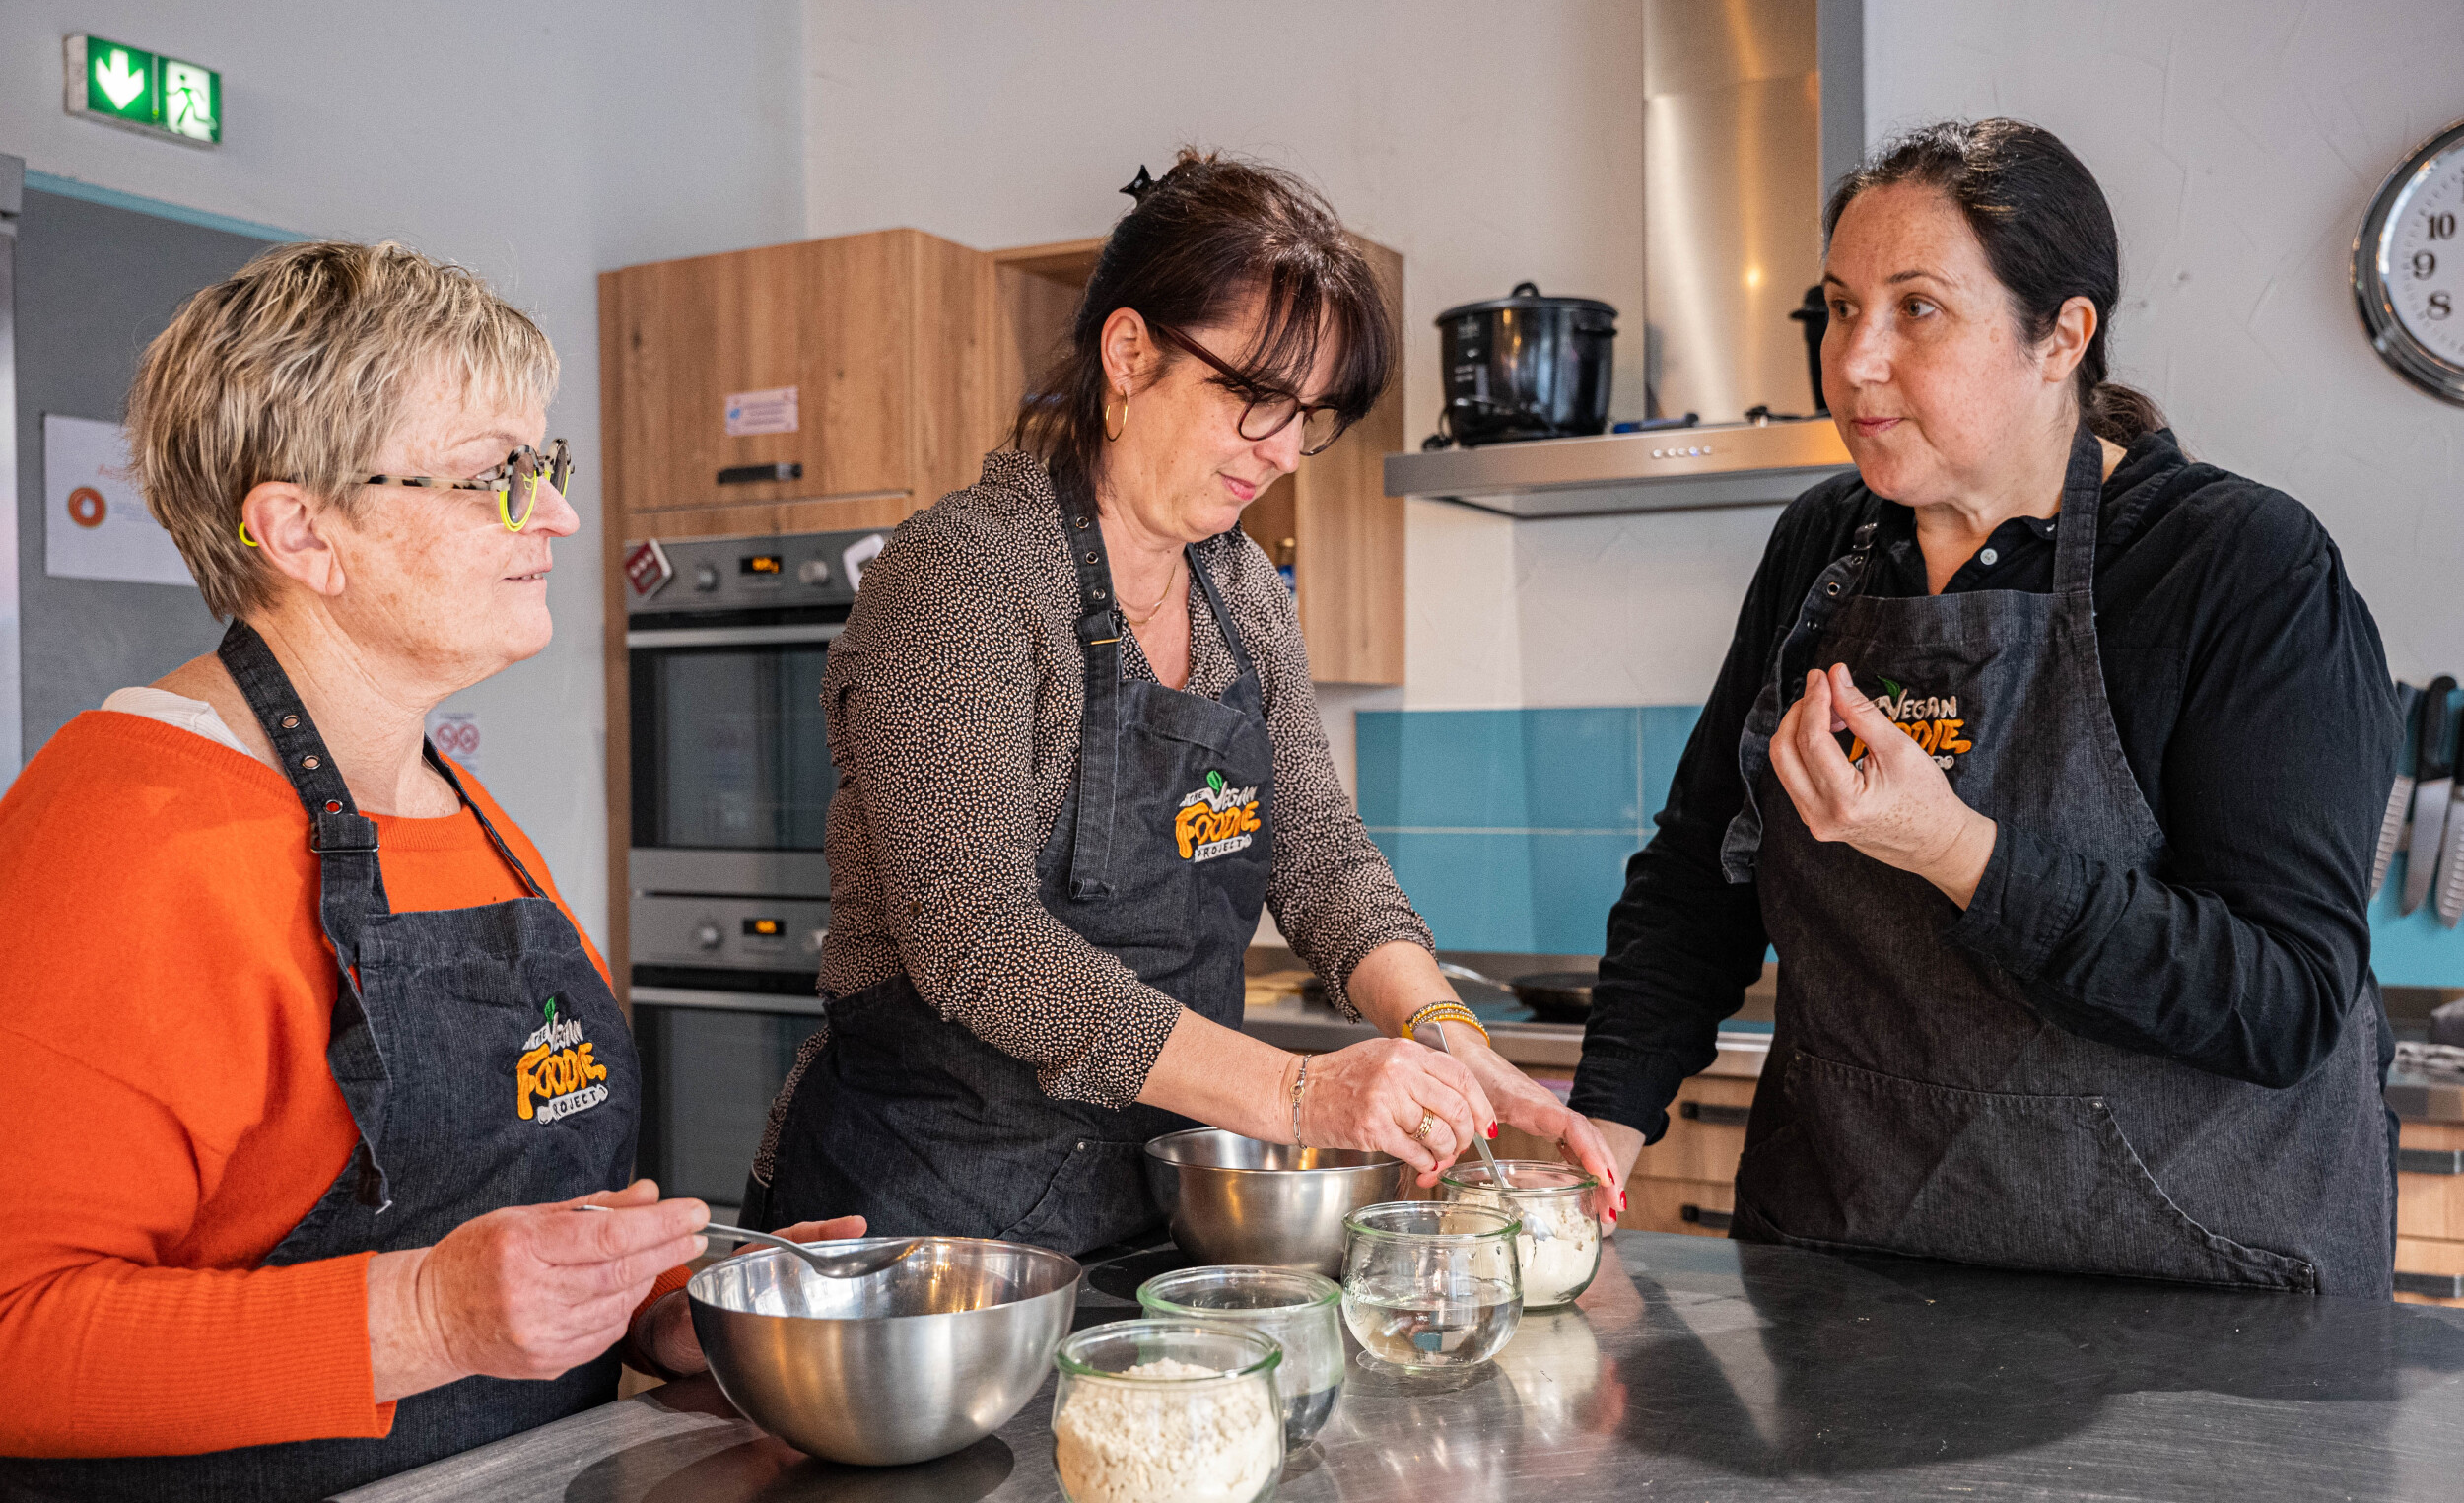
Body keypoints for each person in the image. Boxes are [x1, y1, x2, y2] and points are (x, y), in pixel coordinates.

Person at [0, 242, 858, 1503]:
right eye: (494, 474)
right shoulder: (124, 829)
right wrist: (427, 1313)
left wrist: (665, 1302)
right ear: (300, 533)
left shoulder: (454, 802)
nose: (559, 518)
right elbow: (16, 1336)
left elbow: (495, 1210)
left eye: (547, 464)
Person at [1571, 119, 2400, 1297]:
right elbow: (1700, 872)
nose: (1855, 361)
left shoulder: (2240, 566)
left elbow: (2282, 998)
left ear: (2062, 335)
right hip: (1848, 1272)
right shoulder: (1822, 549)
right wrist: (1603, 1126)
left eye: (1916, 309)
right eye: (1839, 306)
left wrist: (1959, 852)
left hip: (2188, 1300)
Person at [750, 153, 1620, 1252]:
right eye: (1254, 397)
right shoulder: (963, 575)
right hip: (925, 1225)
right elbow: (977, 938)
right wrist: (1301, 1096)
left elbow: (1316, 851)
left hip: (1148, 1207)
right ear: (1129, 354)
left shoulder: (1241, 588)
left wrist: (1445, 1027)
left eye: (1310, 415)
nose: (1284, 450)